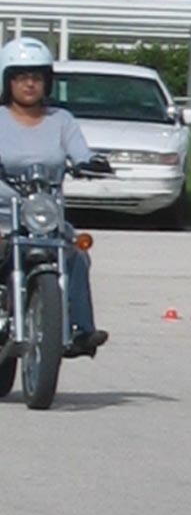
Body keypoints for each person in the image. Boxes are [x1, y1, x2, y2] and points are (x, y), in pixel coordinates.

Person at [0, 37, 110, 357]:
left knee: (77, 252)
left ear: (47, 82)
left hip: (44, 215)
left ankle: (80, 329)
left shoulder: (61, 120)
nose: (29, 84)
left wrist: (89, 163)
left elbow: (80, 152)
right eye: (21, 77)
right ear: (7, 81)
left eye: (36, 77)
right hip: (3, 213)